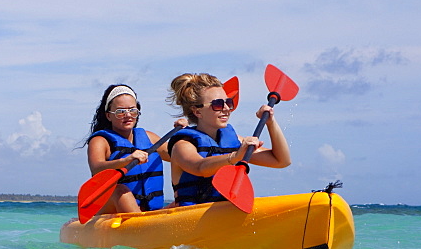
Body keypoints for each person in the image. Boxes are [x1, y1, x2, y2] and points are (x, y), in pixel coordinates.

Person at [166, 73, 291, 206]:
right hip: (191, 219)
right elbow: (199, 167)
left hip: (224, 215)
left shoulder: (234, 141)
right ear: (197, 112)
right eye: (218, 104)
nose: (226, 109)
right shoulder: (183, 145)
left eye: (228, 102)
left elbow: (281, 161)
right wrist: (235, 156)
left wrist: (270, 123)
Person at [83, 84, 183, 215]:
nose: (128, 115)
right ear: (108, 115)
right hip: (114, 211)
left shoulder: (150, 138)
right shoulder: (101, 141)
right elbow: (96, 169)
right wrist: (126, 160)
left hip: (151, 213)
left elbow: (180, 156)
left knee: (186, 199)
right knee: (120, 191)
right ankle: (140, 227)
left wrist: (185, 134)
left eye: (132, 110)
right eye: (120, 111)